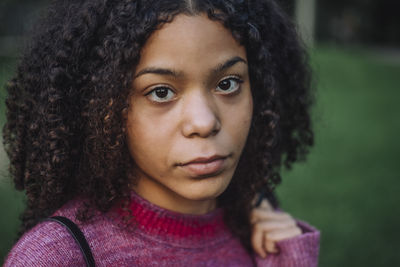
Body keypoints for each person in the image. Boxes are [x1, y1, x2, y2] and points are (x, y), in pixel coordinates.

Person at [3, 0, 319, 266]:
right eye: (161, 92)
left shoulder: (257, 232)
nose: (204, 122)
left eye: (227, 84)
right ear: (100, 106)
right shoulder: (58, 256)